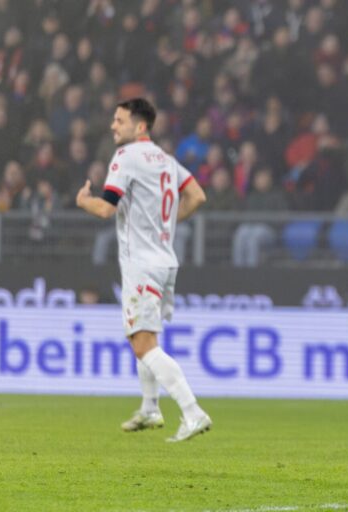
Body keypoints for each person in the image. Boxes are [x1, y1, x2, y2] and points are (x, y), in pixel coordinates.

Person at [75, 98, 212, 442]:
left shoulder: (127, 157)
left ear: (140, 126)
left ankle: (192, 411)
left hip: (142, 264)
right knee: (147, 335)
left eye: (119, 120)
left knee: (143, 344)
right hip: (165, 259)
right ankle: (150, 408)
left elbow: (107, 209)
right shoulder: (166, 160)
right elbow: (197, 196)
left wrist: (82, 202)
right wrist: (167, 224)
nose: (113, 126)